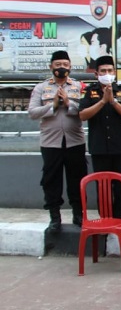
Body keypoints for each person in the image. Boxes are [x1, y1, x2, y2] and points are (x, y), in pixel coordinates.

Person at [28, 50, 88, 231]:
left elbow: (86, 111)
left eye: (65, 65)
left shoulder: (79, 87)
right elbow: (32, 113)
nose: (62, 68)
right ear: (51, 67)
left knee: (77, 179)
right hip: (50, 142)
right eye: (58, 65)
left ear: (70, 67)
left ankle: (78, 215)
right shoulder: (41, 88)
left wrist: (69, 104)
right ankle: (55, 217)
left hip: (75, 141)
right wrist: (52, 105)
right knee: (51, 180)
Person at [78, 56, 121, 229]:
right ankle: (105, 218)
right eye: (103, 71)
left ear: (115, 72)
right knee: (103, 186)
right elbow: (82, 115)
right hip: (99, 147)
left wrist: (113, 102)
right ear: (96, 74)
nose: (107, 74)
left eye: (110, 71)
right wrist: (103, 101)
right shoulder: (89, 91)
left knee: (120, 185)